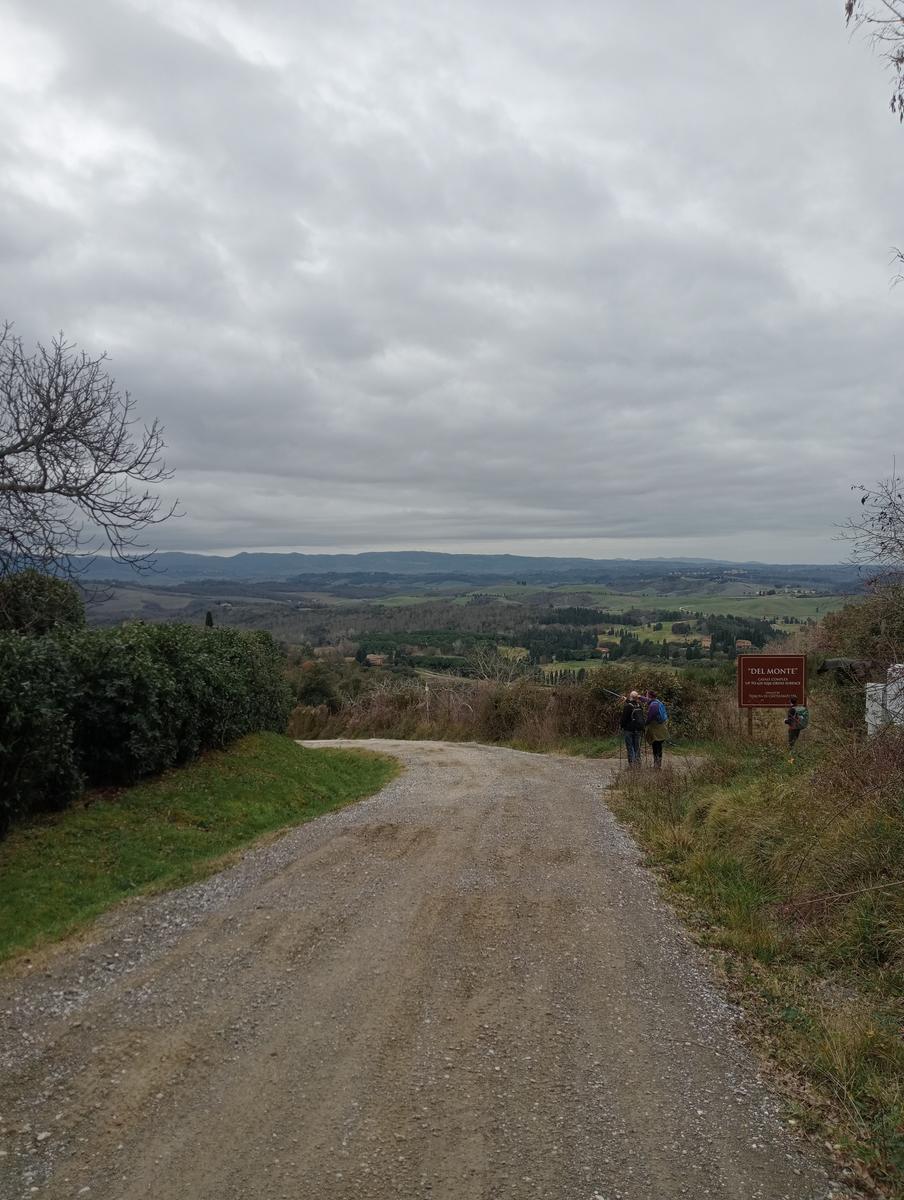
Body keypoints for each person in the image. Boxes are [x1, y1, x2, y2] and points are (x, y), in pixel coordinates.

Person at [641, 689, 669, 767]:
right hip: (661, 728)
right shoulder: (657, 701)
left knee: (656, 747)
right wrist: (639, 697)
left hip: (656, 729)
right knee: (658, 747)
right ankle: (658, 764)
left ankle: (657, 765)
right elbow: (646, 700)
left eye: (647, 695)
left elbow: (650, 717)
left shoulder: (653, 705)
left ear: (650, 696)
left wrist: (644, 724)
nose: (646, 697)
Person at [620, 690, 645, 766]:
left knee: (630, 747)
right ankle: (638, 764)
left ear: (631, 697)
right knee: (637, 747)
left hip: (629, 730)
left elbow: (624, 719)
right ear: (637, 697)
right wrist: (626, 700)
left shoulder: (627, 706)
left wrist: (621, 726)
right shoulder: (639, 706)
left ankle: (632, 765)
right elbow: (632, 704)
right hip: (638, 729)